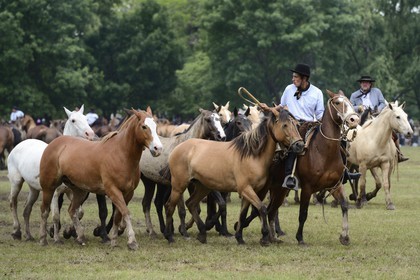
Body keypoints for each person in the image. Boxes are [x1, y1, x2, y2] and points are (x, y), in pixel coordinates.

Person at [350, 75, 408, 162]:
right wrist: (358, 108)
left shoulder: (377, 91)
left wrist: (378, 109)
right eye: (363, 82)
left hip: (377, 117)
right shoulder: (354, 95)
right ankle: (350, 154)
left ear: (370, 84)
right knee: (351, 134)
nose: (365, 84)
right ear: (360, 84)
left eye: (367, 82)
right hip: (362, 118)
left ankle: (399, 154)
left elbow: (382, 103)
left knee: (393, 134)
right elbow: (350, 107)